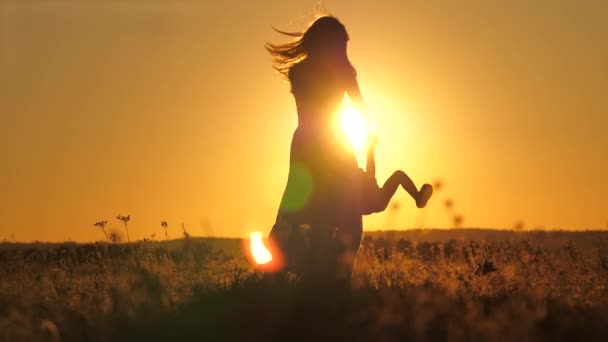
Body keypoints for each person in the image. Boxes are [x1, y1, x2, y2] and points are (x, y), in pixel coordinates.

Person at [265, 16, 369, 277]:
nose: (343, 52)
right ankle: (332, 271)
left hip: (309, 143)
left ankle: (299, 267)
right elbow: (362, 110)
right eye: (340, 46)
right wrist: (369, 148)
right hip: (331, 144)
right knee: (345, 210)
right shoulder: (342, 72)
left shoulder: (299, 71)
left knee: (304, 207)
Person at [357, 134, 433, 216]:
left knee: (398, 175)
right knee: (398, 175)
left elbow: (370, 168)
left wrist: (371, 147)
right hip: (372, 201)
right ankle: (418, 198)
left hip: (372, 201)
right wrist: (371, 147)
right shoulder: (360, 179)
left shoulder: (358, 178)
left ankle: (418, 198)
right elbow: (370, 168)